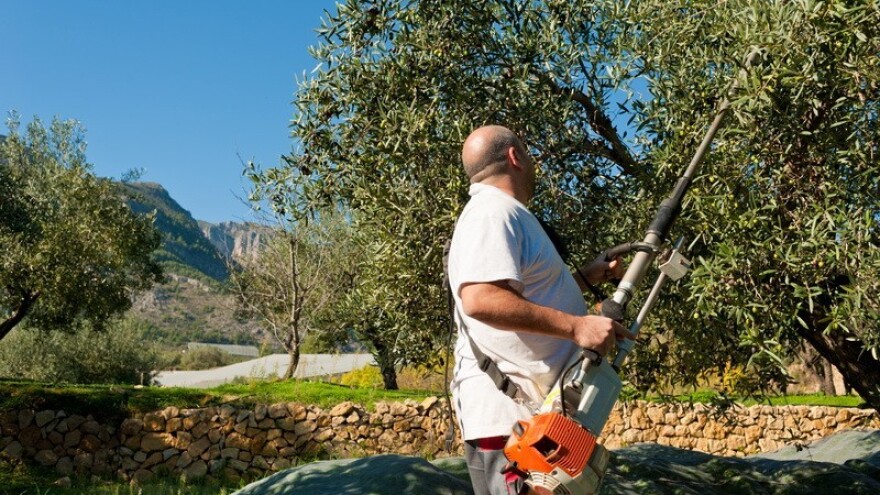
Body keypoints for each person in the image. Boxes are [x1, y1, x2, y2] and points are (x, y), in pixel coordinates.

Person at [448, 125, 632, 495]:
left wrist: (588, 276)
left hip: (537, 421)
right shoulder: (492, 212)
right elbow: (481, 299)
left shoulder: (503, 214)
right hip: (511, 426)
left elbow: (521, 293)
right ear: (515, 157)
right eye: (529, 155)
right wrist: (577, 327)